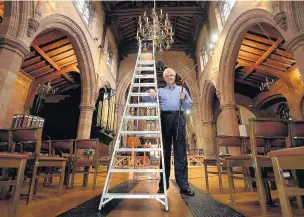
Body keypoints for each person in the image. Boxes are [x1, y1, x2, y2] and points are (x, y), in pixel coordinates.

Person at [143, 67, 195, 196]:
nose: (169, 77)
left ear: (175, 76)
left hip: (179, 118)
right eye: (167, 75)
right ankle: (163, 186)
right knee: (164, 153)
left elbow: (190, 106)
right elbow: (146, 99)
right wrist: (149, 91)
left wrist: (184, 99)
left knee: (181, 153)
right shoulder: (160, 91)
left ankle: (183, 186)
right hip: (165, 118)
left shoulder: (182, 90)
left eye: (171, 74)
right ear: (164, 78)